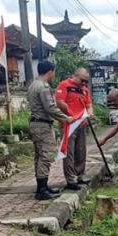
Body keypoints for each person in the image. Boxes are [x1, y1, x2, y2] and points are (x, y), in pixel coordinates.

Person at [27, 60, 76, 200]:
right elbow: (50, 108)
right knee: (47, 155)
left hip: (35, 124)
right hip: (42, 126)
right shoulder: (43, 87)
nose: (53, 75)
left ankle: (42, 186)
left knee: (39, 155)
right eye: (53, 72)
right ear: (50, 72)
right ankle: (42, 190)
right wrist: (65, 118)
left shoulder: (33, 85)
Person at [55, 68, 95, 190]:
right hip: (68, 124)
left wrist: (90, 112)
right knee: (69, 152)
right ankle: (71, 179)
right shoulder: (64, 85)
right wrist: (71, 113)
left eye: (86, 81)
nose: (84, 83)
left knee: (81, 151)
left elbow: (89, 105)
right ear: (76, 76)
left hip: (81, 123)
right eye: (82, 80)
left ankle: (79, 175)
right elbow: (59, 102)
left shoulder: (84, 90)